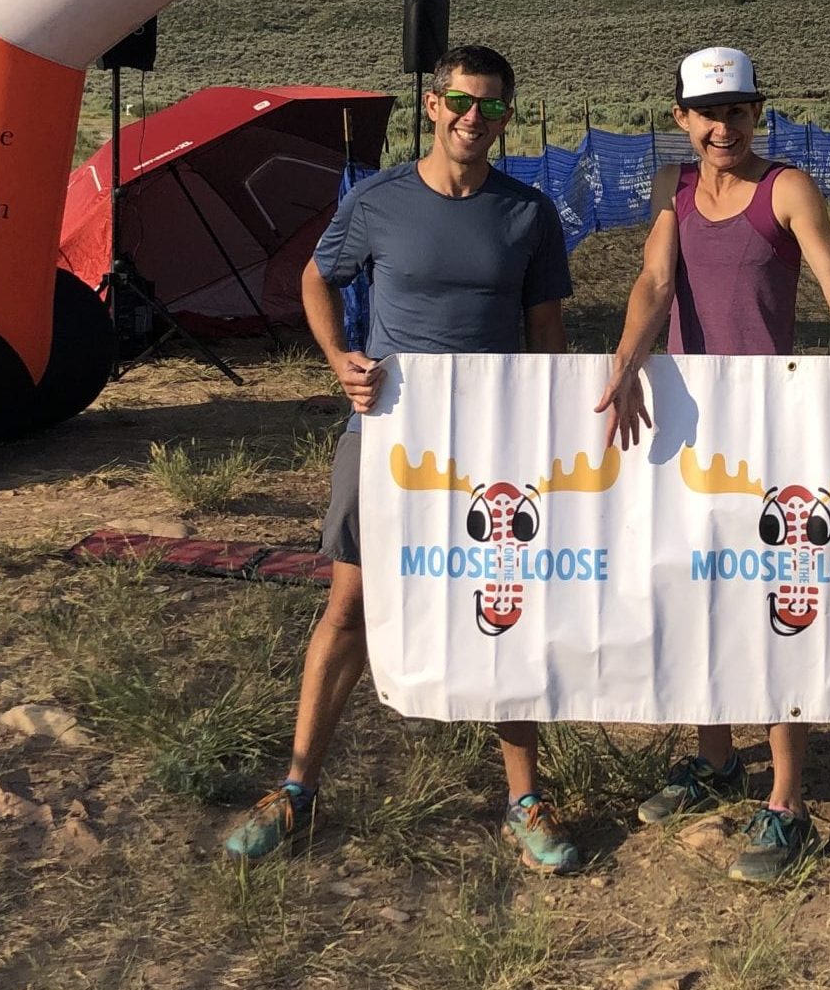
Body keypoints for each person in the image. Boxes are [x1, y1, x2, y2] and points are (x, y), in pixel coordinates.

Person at [223, 44, 583, 874]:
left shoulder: (528, 212)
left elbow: (549, 340)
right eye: (461, 102)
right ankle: (295, 790)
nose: (473, 120)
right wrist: (338, 358)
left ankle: (524, 800)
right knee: (349, 605)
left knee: (504, 608)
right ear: (432, 104)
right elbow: (318, 279)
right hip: (384, 436)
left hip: (493, 446)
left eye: (491, 107)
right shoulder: (377, 200)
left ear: (507, 115)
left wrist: (552, 437)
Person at [595, 44, 830, 884]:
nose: (724, 126)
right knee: (696, 591)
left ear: (758, 112)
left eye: (738, 110)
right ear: (680, 118)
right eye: (707, 112)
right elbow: (652, 280)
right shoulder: (672, 190)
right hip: (690, 426)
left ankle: (787, 798)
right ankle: (716, 759)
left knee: (774, 604)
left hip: (770, 426)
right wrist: (624, 358)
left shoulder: (785, 188)